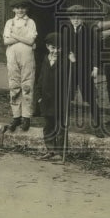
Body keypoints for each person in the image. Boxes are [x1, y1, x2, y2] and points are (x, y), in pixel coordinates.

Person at [59, 4, 102, 136]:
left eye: (78, 17)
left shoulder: (90, 30)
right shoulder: (65, 29)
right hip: (69, 68)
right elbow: (61, 47)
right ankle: (62, 125)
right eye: (73, 18)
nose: (76, 20)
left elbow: (95, 49)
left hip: (85, 69)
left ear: (83, 18)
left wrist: (95, 67)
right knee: (65, 97)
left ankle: (97, 126)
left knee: (90, 98)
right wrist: (67, 54)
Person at [1, 0, 37, 132]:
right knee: (14, 85)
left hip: (27, 57)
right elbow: (6, 41)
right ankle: (16, 116)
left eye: (23, 7)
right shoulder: (10, 22)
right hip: (12, 57)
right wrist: (23, 37)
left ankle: (26, 117)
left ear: (26, 9)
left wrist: (15, 35)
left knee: (27, 85)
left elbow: (31, 41)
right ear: (13, 9)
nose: (20, 10)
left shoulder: (31, 22)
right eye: (17, 8)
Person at [27, 0, 64, 73]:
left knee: (54, 57)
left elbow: (62, 10)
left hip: (53, 27)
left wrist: (60, 30)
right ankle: (39, 87)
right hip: (38, 30)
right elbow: (29, 12)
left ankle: (54, 86)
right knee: (38, 59)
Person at [34, 32, 67, 160]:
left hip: (60, 98)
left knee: (60, 126)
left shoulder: (65, 60)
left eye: (59, 48)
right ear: (48, 46)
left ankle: (59, 152)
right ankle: (50, 150)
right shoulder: (45, 59)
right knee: (48, 125)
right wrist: (39, 95)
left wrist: (73, 62)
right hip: (46, 98)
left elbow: (70, 76)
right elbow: (41, 78)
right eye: (53, 48)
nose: (56, 51)